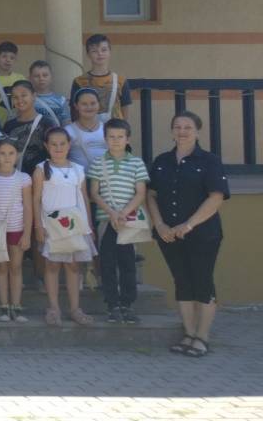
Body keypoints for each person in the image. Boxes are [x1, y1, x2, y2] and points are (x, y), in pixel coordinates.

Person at [146, 111, 229, 358]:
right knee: (182, 282)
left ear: (197, 131)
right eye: (177, 127)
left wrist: (189, 224)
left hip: (202, 233)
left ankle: (202, 337)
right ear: (172, 131)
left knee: (202, 282)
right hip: (168, 235)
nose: (182, 131)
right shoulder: (162, 161)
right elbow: (151, 195)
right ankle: (189, 334)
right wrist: (159, 225)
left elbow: (216, 197)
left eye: (188, 127)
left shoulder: (210, 161)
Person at [87, 119, 149, 325]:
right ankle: (112, 305)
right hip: (107, 221)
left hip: (128, 221)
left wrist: (123, 213)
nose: (115, 140)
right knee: (107, 263)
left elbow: (140, 193)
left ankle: (127, 304)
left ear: (127, 139)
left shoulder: (136, 163)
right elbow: (94, 193)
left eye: (120, 137)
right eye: (111, 137)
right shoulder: (98, 163)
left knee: (128, 263)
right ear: (105, 139)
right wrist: (112, 213)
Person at [34, 127, 97, 327]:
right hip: (51, 225)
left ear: (69, 145)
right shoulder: (41, 169)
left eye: (62, 144)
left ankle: (75, 308)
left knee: (73, 265)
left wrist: (88, 225)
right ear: (46, 146)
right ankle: (53, 308)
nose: (58, 148)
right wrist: (38, 225)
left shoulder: (78, 170)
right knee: (52, 265)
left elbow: (84, 198)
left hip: (75, 225)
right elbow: (36, 199)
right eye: (53, 144)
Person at [0, 139, 33, 322]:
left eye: (11, 153)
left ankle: (16, 306)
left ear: (17, 155)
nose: (7, 157)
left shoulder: (23, 178)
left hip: (16, 228)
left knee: (15, 267)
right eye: (2, 153)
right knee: (1, 268)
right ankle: (3, 306)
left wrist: (27, 234)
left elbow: (28, 207)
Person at [71, 34, 132, 122]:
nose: (100, 54)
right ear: (88, 54)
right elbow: (74, 111)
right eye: (94, 51)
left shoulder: (121, 81)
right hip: (87, 128)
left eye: (104, 50)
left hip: (115, 129)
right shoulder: (79, 81)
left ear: (109, 52)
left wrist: (125, 129)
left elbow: (125, 109)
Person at [3, 80, 51, 174]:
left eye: (24, 95)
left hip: (41, 176)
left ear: (34, 96)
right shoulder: (9, 125)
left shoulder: (47, 123)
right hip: (15, 178)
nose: (20, 100)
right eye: (15, 97)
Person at [65, 88, 106, 172]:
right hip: (79, 178)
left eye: (93, 103)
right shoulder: (68, 131)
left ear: (99, 104)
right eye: (84, 104)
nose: (89, 107)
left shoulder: (107, 129)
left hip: (106, 177)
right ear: (76, 106)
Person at [29, 60, 69, 128]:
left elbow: (66, 124)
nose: (41, 78)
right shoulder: (27, 100)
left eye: (45, 75)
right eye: (37, 76)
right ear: (30, 78)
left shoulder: (61, 100)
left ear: (51, 77)